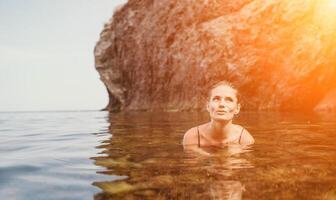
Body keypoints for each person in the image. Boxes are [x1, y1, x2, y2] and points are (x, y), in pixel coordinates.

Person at [183, 81, 254, 149]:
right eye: (216, 99)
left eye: (229, 100)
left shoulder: (244, 139)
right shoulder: (193, 137)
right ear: (208, 106)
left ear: (237, 108)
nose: (222, 104)